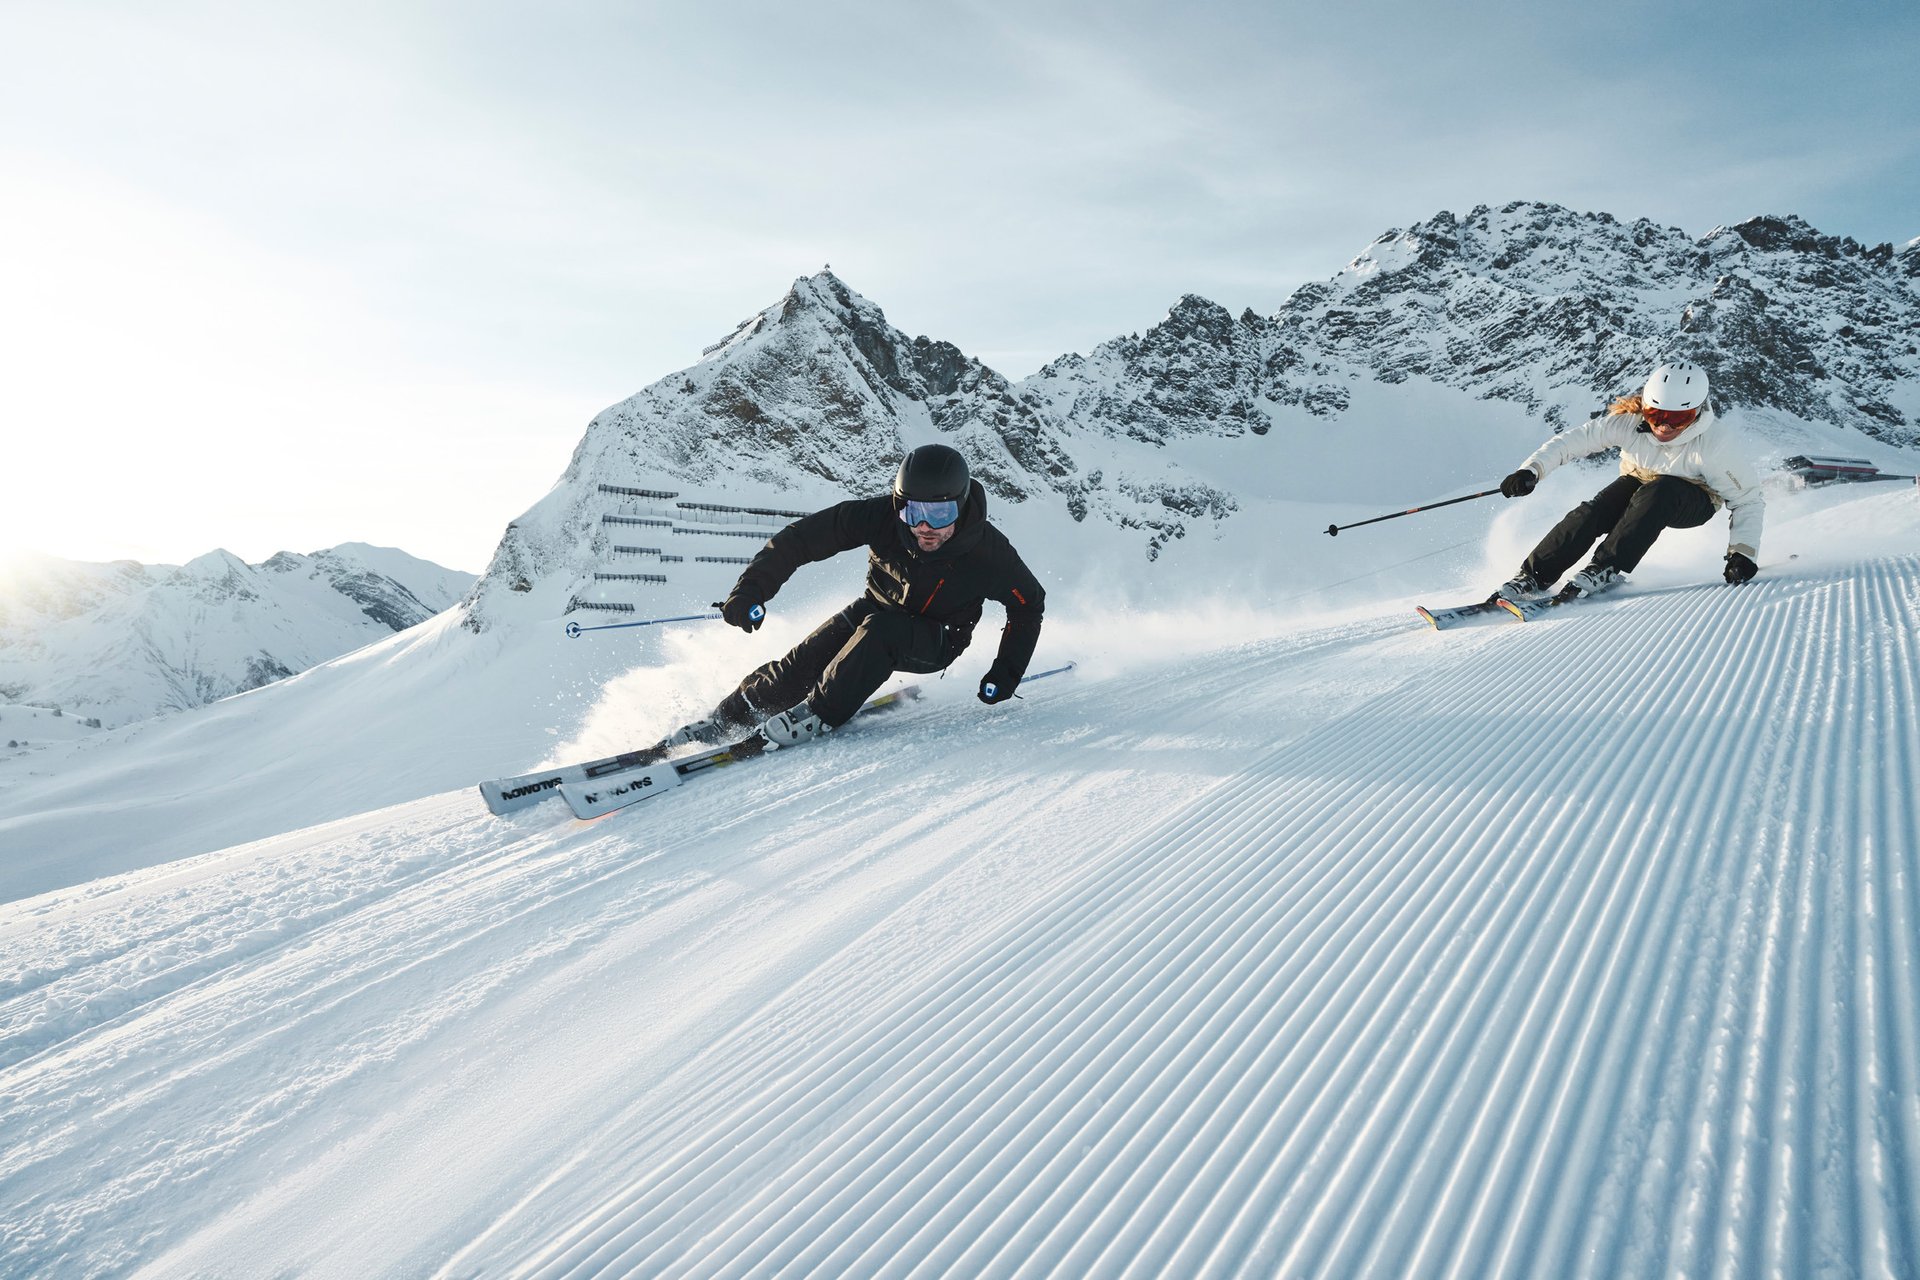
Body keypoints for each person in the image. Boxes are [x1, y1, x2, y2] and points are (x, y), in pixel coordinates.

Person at [668, 443, 1046, 751]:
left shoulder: (988, 553)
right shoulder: (881, 517)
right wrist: (751, 590)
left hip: (940, 636)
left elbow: (1028, 605)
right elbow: (802, 539)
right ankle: (730, 718)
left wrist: (1006, 672)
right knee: (801, 665)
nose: (925, 527)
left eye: (940, 513)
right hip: (876, 610)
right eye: (913, 512)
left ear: (961, 507)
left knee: (883, 631)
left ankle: (818, 712)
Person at [1489, 360, 1764, 603]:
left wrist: (1742, 553)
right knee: (1594, 511)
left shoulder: (1714, 444)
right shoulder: (1629, 423)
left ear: (1696, 413)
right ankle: (1534, 576)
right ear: (1646, 407)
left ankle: (1605, 569)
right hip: (1639, 481)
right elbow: (1572, 441)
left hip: (1695, 497)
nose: (1664, 426)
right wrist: (1531, 471)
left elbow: (1748, 499)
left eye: (1678, 418)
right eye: (1656, 415)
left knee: (1661, 490)